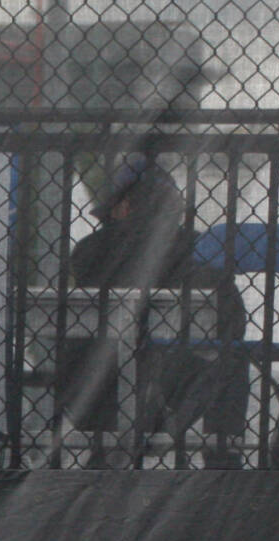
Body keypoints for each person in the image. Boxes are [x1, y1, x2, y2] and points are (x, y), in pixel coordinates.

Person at [61, 156, 246, 444]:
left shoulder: (91, 250)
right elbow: (235, 325)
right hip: (185, 380)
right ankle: (224, 449)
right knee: (233, 356)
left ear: (122, 207)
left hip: (99, 390)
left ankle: (106, 444)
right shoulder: (203, 249)